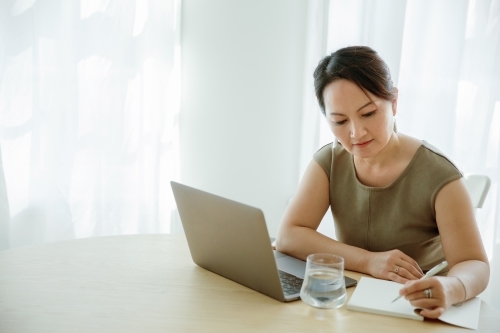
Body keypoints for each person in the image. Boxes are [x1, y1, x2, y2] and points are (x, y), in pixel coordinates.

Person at [275, 46, 489, 318]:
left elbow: (474, 263)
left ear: (394, 102)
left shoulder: (440, 175)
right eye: (339, 121)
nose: (356, 133)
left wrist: (451, 288)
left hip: (421, 309)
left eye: (368, 114)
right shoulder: (329, 161)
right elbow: (289, 235)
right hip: (356, 303)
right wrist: (370, 261)